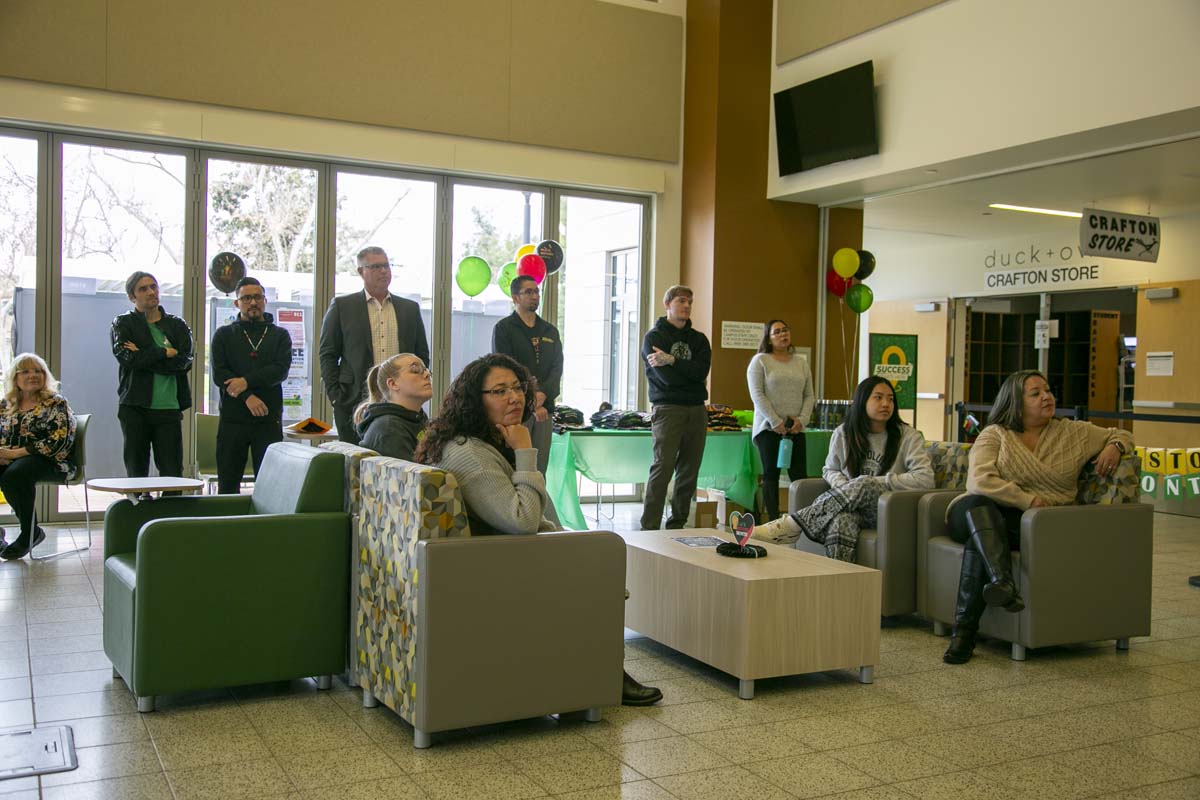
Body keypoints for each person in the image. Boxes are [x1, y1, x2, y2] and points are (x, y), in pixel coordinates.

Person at [414, 353, 662, 706]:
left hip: (504, 554)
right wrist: (526, 452)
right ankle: (606, 672)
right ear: (474, 400)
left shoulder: (481, 437)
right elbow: (522, 521)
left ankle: (598, 669)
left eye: (517, 387)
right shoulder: (470, 454)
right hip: (499, 565)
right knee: (600, 563)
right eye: (499, 391)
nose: (513, 397)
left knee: (594, 557)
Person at [941, 369, 1133, 664]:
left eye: (1048, 390)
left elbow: (1121, 433)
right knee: (980, 507)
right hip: (972, 513)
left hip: (1033, 525)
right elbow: (979, 481)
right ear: (1016, 402)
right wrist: (1028, 499)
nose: (1047, 397)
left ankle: (967, 630)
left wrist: (1115, 446)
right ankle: (999, 582)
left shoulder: (1074, 433)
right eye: (1036, 393)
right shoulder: (995, 434)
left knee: (981, 545)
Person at [752, 376, 933, 561]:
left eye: (890, 399)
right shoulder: (844, 433)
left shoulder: (909, 436)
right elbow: (830, 470)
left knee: (865, 482)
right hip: (851, 506)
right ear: (862, 401)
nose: (886, 403)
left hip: (889, 508)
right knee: (841, 520)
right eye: (878, 398)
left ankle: (792, 524)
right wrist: (845, 487)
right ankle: (838, 581)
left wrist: (877, 482)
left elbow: (925, 478)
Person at [320, 246, 430, 445]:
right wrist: (336, 396)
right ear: (361, 272)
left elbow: (421, 354)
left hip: (400, 401)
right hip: (353, 399)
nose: (384, 271)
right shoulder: (343, 306)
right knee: (355, 464)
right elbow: (327, 354)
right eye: (377, 266)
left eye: (387, 266)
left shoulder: (409, 309)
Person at [210, 277, 292, 494]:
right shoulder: (224, 335)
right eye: (246, 298)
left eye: (257, 297)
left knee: (269, 486)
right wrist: (248, 396)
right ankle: (226, 527)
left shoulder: (280, 335)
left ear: (265, 301)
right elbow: (220, 375)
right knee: (228, 485)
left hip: (267, 419)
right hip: (232, 420)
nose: (252, 302)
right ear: (237, 303)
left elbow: (280, 370)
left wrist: (245, 381)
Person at [640, 285, 711, 530]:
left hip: (696, 410)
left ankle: (677, 523)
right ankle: (649, 526)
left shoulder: (699, 340)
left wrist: (671, 360)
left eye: (690, 301)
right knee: (663, 468)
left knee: (689, 471)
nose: (687, 306)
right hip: (668, 409)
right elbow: (667, 380)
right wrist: (687, 373)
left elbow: (702, 372)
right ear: (667, 304)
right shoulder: (654, 338)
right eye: (681, 301)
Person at [110, 271, 193, 480]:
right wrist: (163, 352)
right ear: (132, 297)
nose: (150, 292)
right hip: (135, 407)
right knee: (136, 472)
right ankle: (139, 512)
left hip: (169, 408)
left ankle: (169, 512)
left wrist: (144, 356)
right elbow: (127, 359)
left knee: (172, 472)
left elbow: (184, 362)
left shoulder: (177, 325)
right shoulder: (123, 323)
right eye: (143, 289)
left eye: (153, 286)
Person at [0, 354, 76, 561]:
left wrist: (14, 454)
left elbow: (59, 442)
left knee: (14, 475)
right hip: (12, 460)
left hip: (51, 460)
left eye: (38, 371)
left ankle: (29, 533)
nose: (32, 375)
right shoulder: (5, 404)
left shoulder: (56, 402)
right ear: (15, 378)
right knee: (13, 471)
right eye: (25, 371)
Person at [491, 275, 563, 475]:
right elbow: (505, 368)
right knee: (514, 467)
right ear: (515, 298)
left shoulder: (550, 331)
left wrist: (542, 396)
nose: (534, 296)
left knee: (539, 470)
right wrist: (530, 399)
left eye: (536, 291)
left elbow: (557, 369)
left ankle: (537, 507)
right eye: (528, 292)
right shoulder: (504, 329)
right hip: (516, 408)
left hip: (544, 410)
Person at [747, 319, 815, 522]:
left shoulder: (801, 362)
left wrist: (801, 420)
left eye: (785, 330)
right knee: (771, 476)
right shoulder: (760, 361)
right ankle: (773, 521)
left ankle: (801, 519)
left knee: (799, 476)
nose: (782, 334)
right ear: (768, 337)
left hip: (796, 429)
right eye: (777, 332)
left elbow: (809, 395)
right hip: (768, 429)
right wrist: (775, 421)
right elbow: (757, 394)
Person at [353, 353, 432, 461]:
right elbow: (410, 476)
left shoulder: (417, 418)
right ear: (393, 384)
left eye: (426, 370)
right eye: (415, 370)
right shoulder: (388, 430)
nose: (427, 374)